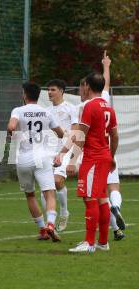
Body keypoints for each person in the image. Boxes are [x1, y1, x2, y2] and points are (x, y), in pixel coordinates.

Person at [59, 72, 118, 253]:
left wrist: (72, 160)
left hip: (92, 158)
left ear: (88, 87)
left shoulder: (89, 106)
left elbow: (81, 135)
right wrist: (111, 157)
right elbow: (115, 136)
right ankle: (102, 242)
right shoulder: (108, 107)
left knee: (90, 197)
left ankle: (89, 242)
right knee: (102, 198)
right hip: (104, 156)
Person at [7, 82, 64, 242]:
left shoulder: (18, 110)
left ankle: (42, 229)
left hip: (24, 158)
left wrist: (13, 133)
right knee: (49, 194)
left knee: (30, 195)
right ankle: (51, 224)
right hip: (43, 157)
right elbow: (60, 133)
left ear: (24, 94)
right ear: (38, 95)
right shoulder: (46, 112)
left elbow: (11, 126)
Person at [41, 79, 79, 232]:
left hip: (65, 150)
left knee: (57, 181)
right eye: (48, 89)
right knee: (46, 188)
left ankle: (64, 212)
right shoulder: (46, 111)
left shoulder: (71, 108)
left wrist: (66, 154)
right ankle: (49, 223)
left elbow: (75, 132)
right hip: (47, 151)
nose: (49, 92)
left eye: (53, 90)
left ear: (62, 91)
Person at [100, 52, 125, 241]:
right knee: (113, 188)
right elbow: (106, 84)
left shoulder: (85, 107)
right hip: (109, 152)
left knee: (99, 195)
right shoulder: (105, 102)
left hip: (93, 154)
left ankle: (113, 229)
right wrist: (106, 65)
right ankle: (116, 214)